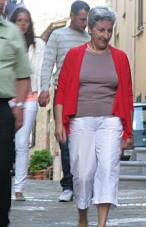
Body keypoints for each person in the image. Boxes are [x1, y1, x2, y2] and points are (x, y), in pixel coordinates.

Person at [54, 6, 133, 227]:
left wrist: (128, 131)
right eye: (101, 30)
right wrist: (59, 122)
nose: (105, 35)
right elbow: (62, 90)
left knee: (108, 169)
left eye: (109, 31)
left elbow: (127, 95)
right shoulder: (75, 55)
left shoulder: (119, 57)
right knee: (83, 172)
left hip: (110, 120)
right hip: (81, 120)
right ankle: (81, 220)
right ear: (90, 29)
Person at [39, 0, 90, 202]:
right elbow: (47, 63)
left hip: (85, 95)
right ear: (72, 15)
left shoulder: (90, 38)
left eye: (87, 19)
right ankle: (68, 185)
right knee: (65, 141)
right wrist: (44, 89)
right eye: (82, 18)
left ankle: (82, 184)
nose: (85, 23)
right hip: (63, 93)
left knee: (84, 142)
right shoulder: (58, 36)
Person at [0, 0, 31, 227]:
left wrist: (19, 107)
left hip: (2, 107)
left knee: (2, 167)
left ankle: (0, 223)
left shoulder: (11, 33)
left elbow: (23, 75)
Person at [9, 7, 45, 201]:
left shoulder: (38, 44)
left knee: (22, 144)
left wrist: (43, 90)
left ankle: (19, 188)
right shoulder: (6, 41)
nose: (23, 24)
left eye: (26, 20)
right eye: (19, 20)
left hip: (29, 98)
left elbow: (43, 69)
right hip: (6, 97)